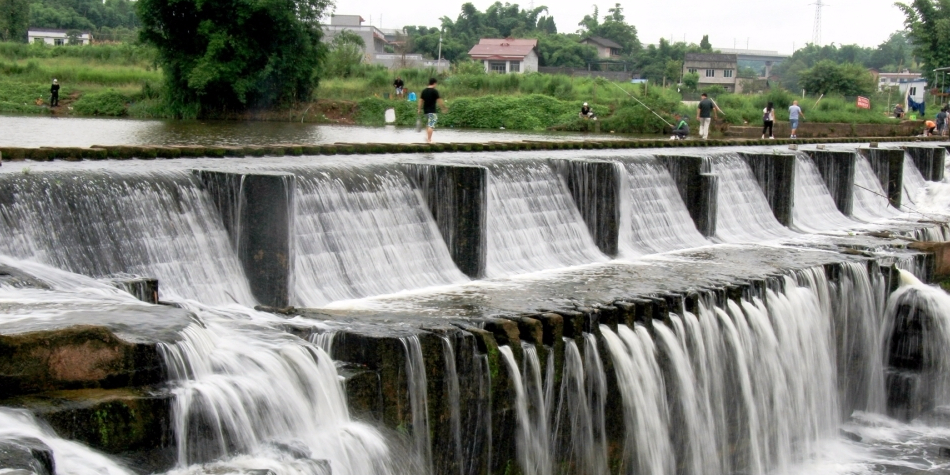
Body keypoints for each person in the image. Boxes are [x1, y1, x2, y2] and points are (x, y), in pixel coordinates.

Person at [417, 78, 447, 144]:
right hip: (432, 111)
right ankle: (429, 140)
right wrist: (443, 108)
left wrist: (419, 109)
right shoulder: (434, 91)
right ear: (434, 83)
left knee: (428, 124)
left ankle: (427, 138)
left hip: (426, 111)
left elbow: (420, 101)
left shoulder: (424, 91)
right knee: (431, 125)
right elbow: (439, 101)